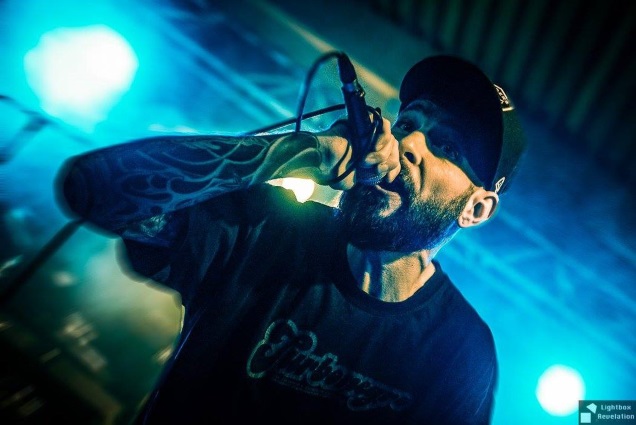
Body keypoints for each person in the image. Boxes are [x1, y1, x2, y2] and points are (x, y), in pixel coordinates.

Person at [56, 54, 525, 424]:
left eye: (446, 146)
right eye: (408, 124)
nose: (410, 144)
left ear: (476, 208)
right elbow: (95, 189)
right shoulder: (268, 229)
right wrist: (308, 151)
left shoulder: (459, 350)